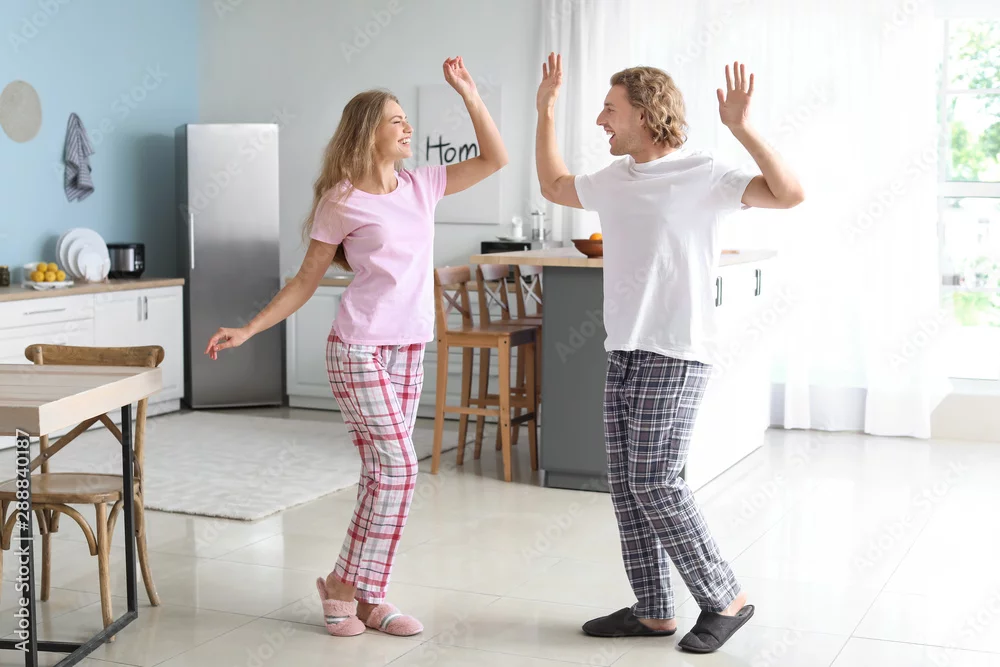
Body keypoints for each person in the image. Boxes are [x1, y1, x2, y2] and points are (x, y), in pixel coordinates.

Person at [205, 56, 507, 638]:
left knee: (380, 475)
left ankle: (368, 594)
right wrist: (249, 328)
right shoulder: (340, 201)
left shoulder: (422, 185)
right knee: (400, 468)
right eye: (396, 120)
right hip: (358, 349)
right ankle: (345, 585)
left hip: (410, 347)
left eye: (406, 118)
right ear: (368, 132)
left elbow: (496, 159)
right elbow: (304, 281)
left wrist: (470, 95)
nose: (407, 127)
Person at [534, 53, 804, 653]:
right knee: (627, 484)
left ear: (645, 113)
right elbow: (554, 185)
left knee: (656, 481)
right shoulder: (615, 179)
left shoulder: (704, 174)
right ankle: (654, 609)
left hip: (677, 349)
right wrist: (545, 110)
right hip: (624, 348)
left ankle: (725, 597)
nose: (601, 121)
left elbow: (789, 195)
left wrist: (742, 128)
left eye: (610, 109)